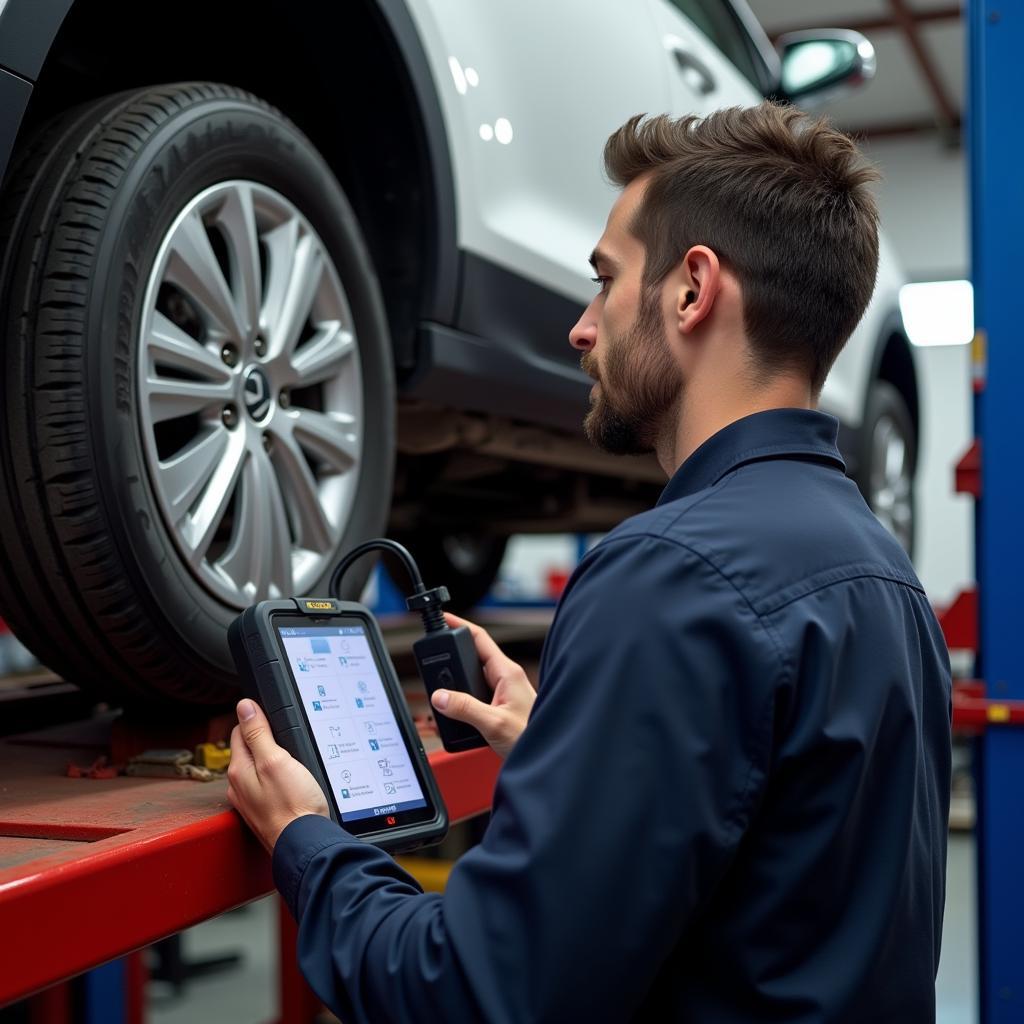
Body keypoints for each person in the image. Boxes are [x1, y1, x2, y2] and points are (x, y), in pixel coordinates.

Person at [228, 102, 951, 1022]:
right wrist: (575, 755)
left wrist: (307, 841)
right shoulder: (882, 569)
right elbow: (782, 866)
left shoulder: (671, 574)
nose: (581, 328)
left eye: (605, 281)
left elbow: (478, 997)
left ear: (693, 290)